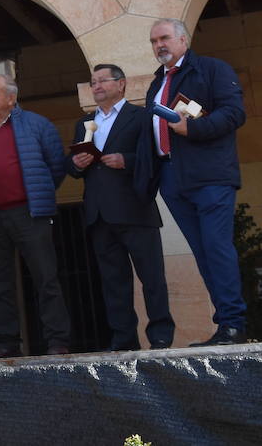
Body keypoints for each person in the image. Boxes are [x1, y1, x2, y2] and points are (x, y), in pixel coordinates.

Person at [138, 17, 247, 346]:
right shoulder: (157, 84)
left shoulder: (212, 70)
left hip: (210, 176)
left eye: (165, 38)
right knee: (202, 252)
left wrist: (193, 129)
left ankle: (233, 323)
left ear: (183, 40)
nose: (160, 45)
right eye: (154, 40)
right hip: (173, 179)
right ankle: (225, 324)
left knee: (216, 247)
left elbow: (234, 113)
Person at [68, 64, 174, 350]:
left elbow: (156, 157)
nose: (97, 86)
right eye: (93, 82)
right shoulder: (84, 123)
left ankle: (161, 334)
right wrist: (76, 165)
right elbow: (74, 166)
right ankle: (124, 338)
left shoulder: (140, 117)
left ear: (122, 84)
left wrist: (126, 160)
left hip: (135, 208)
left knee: (152, 277)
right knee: (113, 282)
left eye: (103, 80)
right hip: (99, 213)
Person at [0, 75, 72, 358]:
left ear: (11, 99)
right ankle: (6, 343)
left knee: (45, 277)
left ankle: (57, 341)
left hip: (29, 212)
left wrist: (39, 194)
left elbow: (56, 167)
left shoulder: (37, 125)